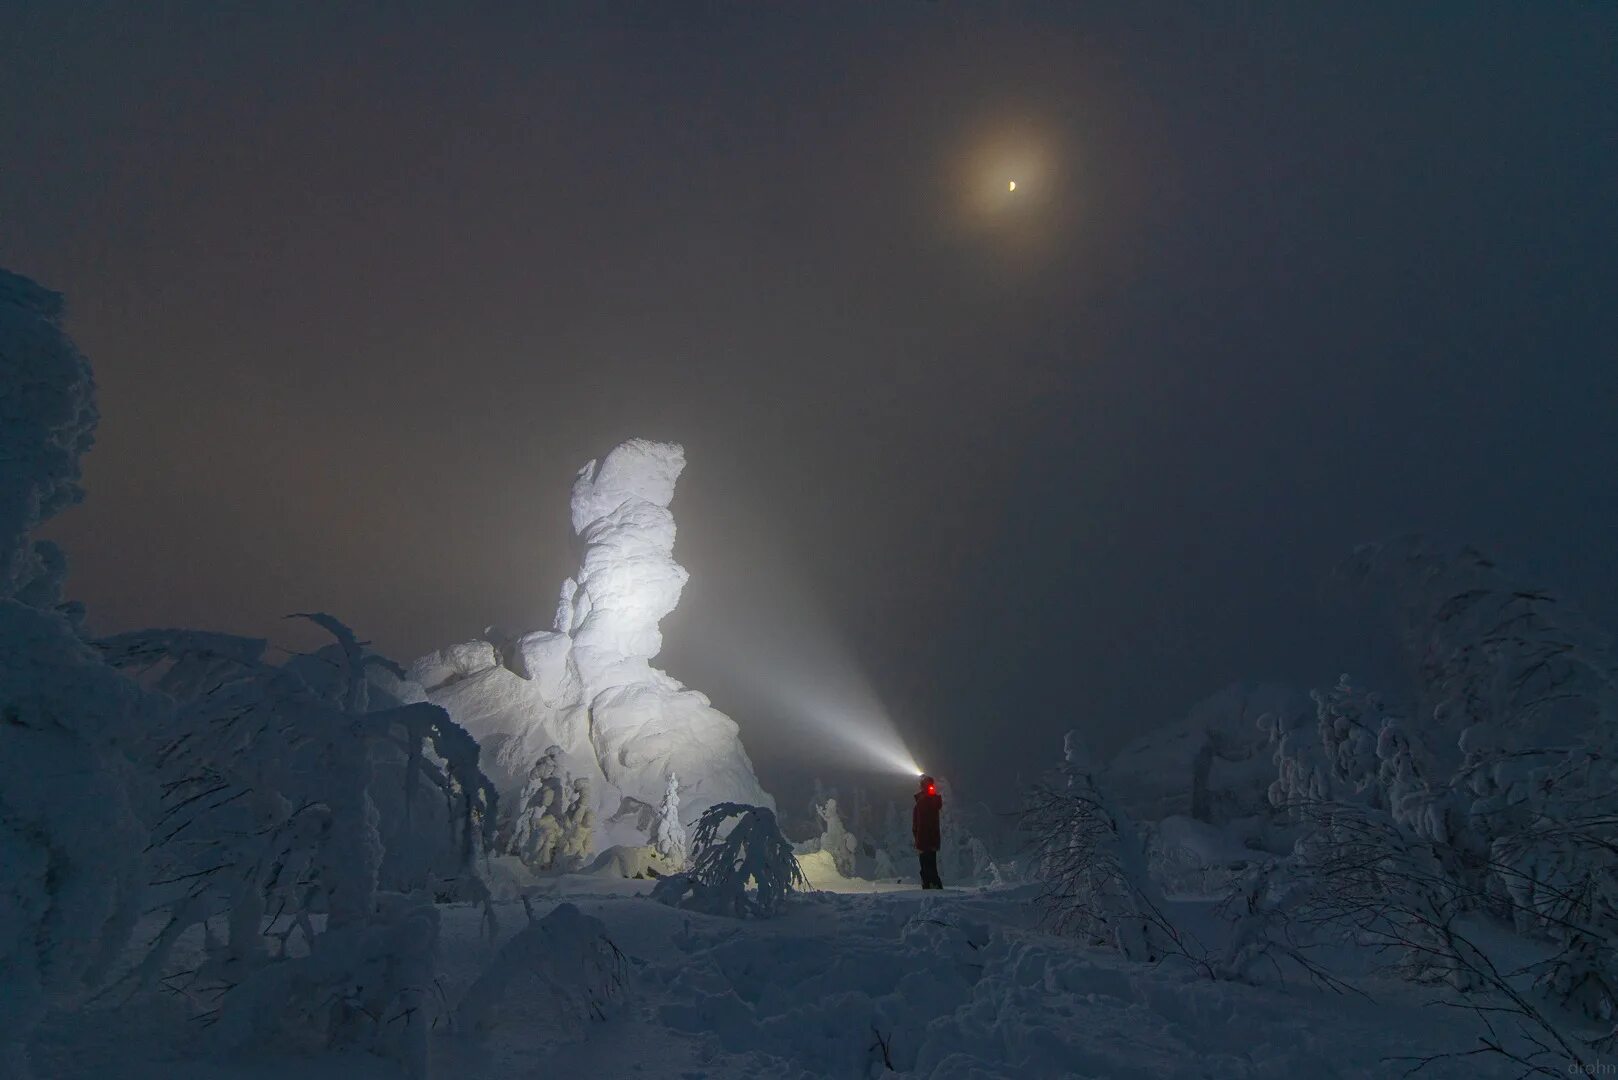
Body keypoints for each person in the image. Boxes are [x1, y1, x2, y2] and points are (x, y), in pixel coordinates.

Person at [912, 774, 944, 889]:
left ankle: (931, 888)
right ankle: (932, 887)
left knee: (927, 867)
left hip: (925, 841)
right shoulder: (927, 801)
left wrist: (919, 842)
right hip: (929, 841)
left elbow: (923, 825)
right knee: (929, 867)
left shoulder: (925, 801)